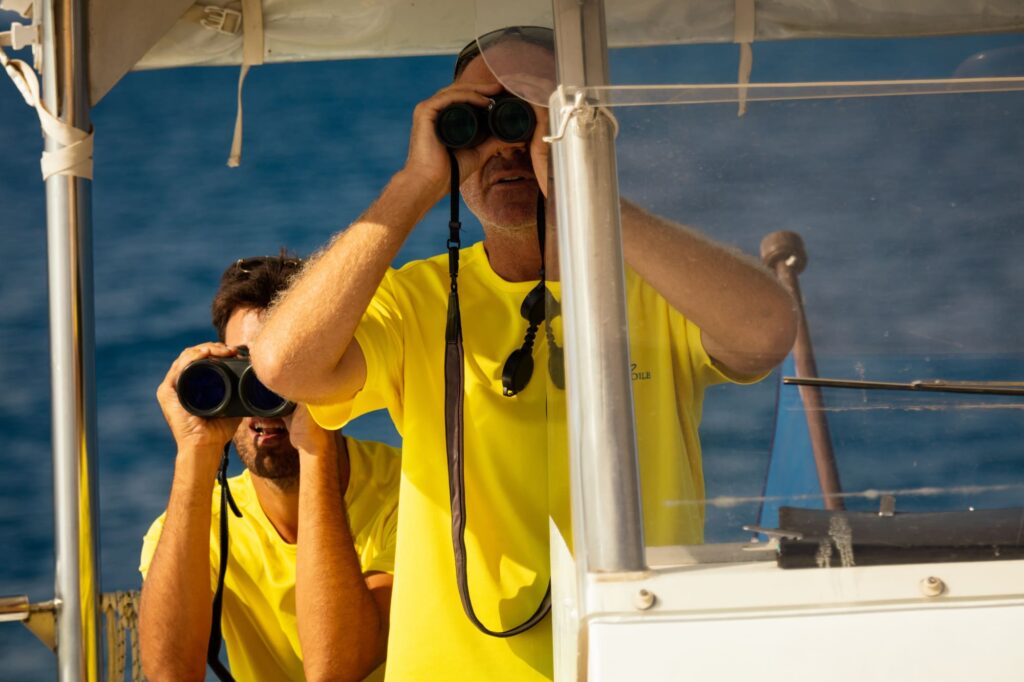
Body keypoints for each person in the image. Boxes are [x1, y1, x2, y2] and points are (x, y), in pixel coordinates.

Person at [251, 28, 798, 681]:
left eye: (528, 115)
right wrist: (416, 182)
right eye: (476, 121)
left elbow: (767, 330)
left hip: (638, 656)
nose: (506, 146)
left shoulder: (654, 285)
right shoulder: (417, 301)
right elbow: (285, 365)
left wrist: (587, 185)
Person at [138, 255, 400, 682]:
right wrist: (194, 452)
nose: (262, 394)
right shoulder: (196, 522)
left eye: (282, 368)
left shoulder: (413, 494)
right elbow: (169, 674)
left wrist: (316, 438)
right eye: (244, 367)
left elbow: (337, 669)